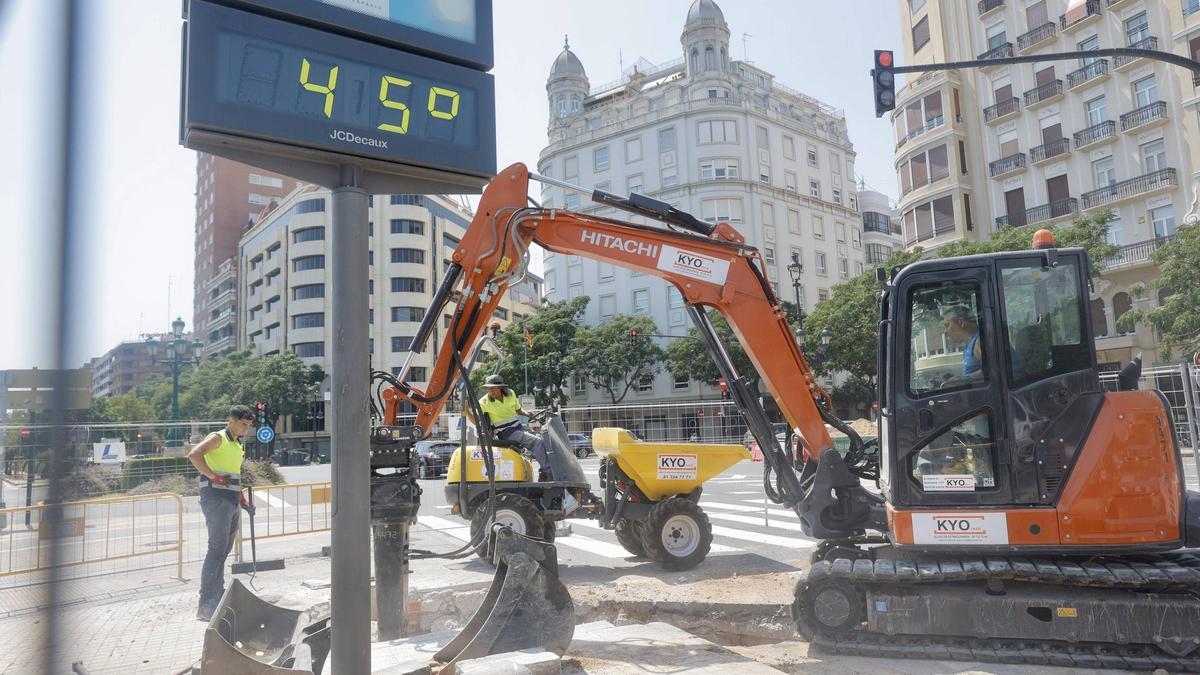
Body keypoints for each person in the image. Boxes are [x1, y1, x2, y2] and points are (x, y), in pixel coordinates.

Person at [188, 404, 254, 621]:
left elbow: (234, 473)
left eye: (248, 425)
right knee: (216, 549)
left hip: (231, 500)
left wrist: (242, 499)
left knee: (223, 550)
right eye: (243, 424)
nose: (246, 429)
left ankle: (217, 593)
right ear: (231, 421)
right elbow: (194, 455)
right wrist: (213, 477)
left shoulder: (236, 445)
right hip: (216, 499)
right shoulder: (218, 438)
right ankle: (206, 602)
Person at [942, 305, 983, 381]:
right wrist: (954, 379)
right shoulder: (971, 342)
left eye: (947, 325)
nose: (945, 332)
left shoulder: (980, 341)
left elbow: (995, 370)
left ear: (961, 322)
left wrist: (964, 379)